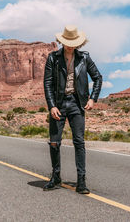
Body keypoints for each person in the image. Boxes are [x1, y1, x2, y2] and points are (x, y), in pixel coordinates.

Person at [43, 25, 102, 193]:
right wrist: (52, 105)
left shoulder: (85, 58)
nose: (69, 45)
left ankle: (81, 181)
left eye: (73, 42)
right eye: (67, 42)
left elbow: (98, 77)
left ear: (78, 43)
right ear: (62, 42)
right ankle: (56, 177)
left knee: (79, 142)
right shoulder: (53, 58)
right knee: (54, 142)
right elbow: (47, 83)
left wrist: (92, 99)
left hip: (77, 104)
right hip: (59, 104)